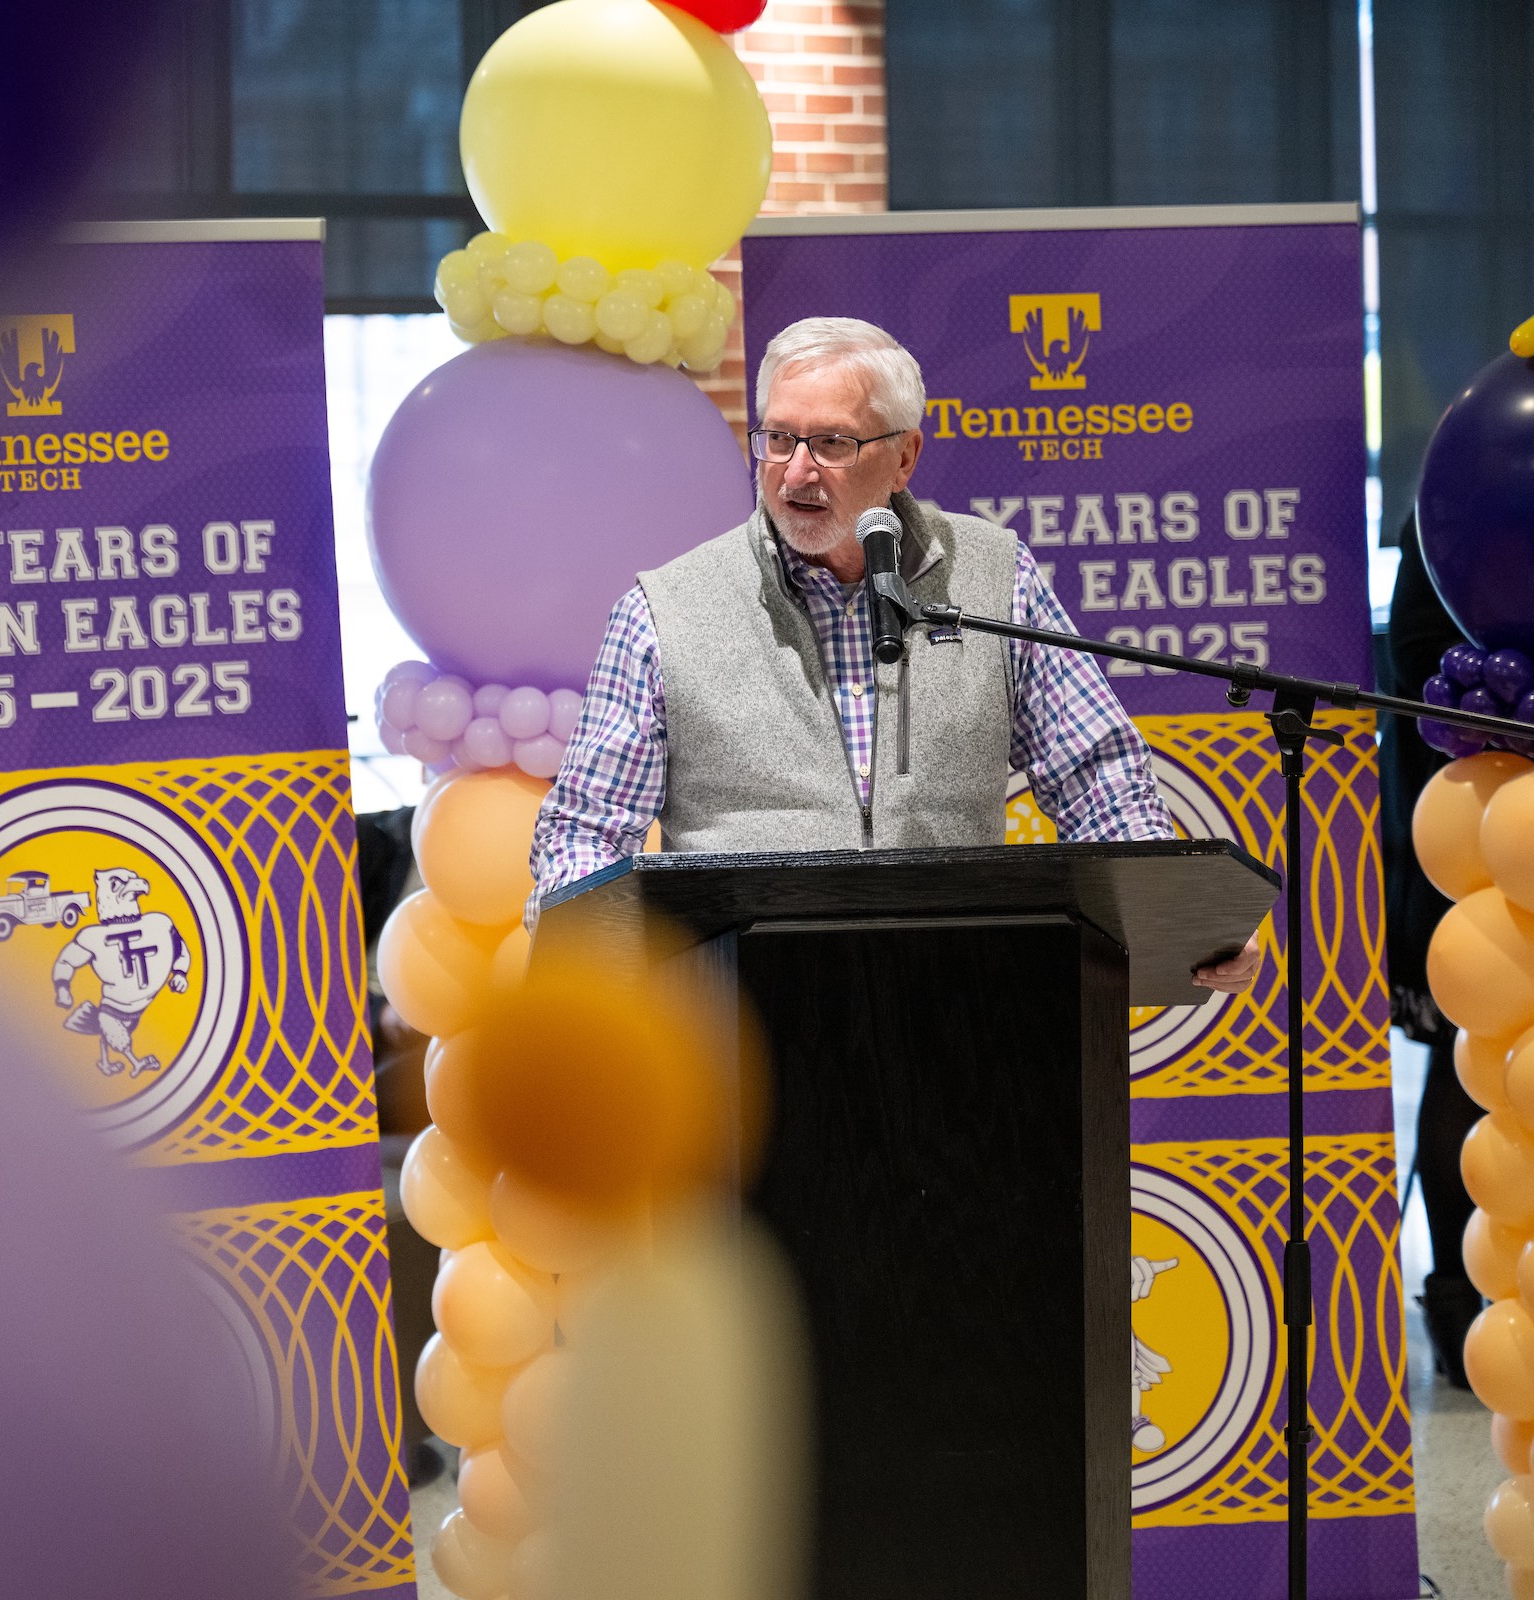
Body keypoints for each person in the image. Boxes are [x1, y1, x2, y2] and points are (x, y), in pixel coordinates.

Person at [527, 316, 1262, 996]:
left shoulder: (992, 574)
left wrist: (1179, 918)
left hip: (962, 1006)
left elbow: (1096, 773)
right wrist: (590, 950)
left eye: (832, 443)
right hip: (737, 1025)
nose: (796, 472)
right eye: (778, 439)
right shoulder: (666, 611)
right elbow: (586, 828)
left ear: (904, 455)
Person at [1379, 516, 1482, 1385]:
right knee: (1462, 1056)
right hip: (1471, 827)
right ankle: (1455, 1302)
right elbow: (1417, 660)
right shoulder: (1456, 490)